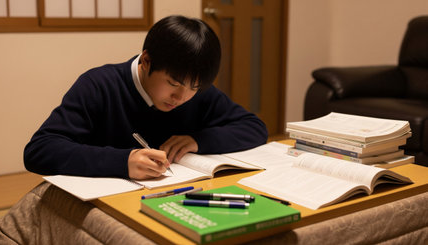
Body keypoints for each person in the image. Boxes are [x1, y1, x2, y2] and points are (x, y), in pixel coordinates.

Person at [24, 15, 268, 180]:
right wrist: (122, 162)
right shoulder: (99, 85)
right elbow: (39, 151)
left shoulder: (196, 93)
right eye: (173, 83)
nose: (181, 96)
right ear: (146, 61)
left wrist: (197, 140)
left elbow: (254, 127)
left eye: (194, 87)